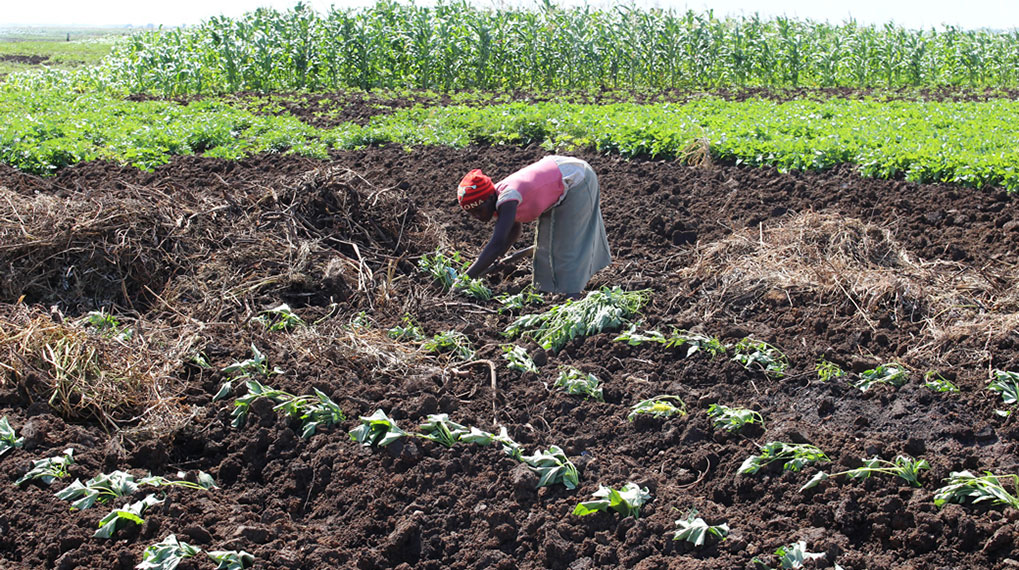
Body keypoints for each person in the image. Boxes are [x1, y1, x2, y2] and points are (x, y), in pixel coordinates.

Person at [457, 155, 611, 298]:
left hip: (575, 178)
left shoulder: (508, 198)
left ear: (490, 198)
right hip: (557, 180)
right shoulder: (496, 200)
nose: (476, 216)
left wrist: (466, 278)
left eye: (478, 209)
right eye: (471, 213)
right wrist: (499, 257)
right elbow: (513, 229)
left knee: (565, 246)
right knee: (545, 245)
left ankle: (571, 295)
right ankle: (544, 291)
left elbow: (496, 243)